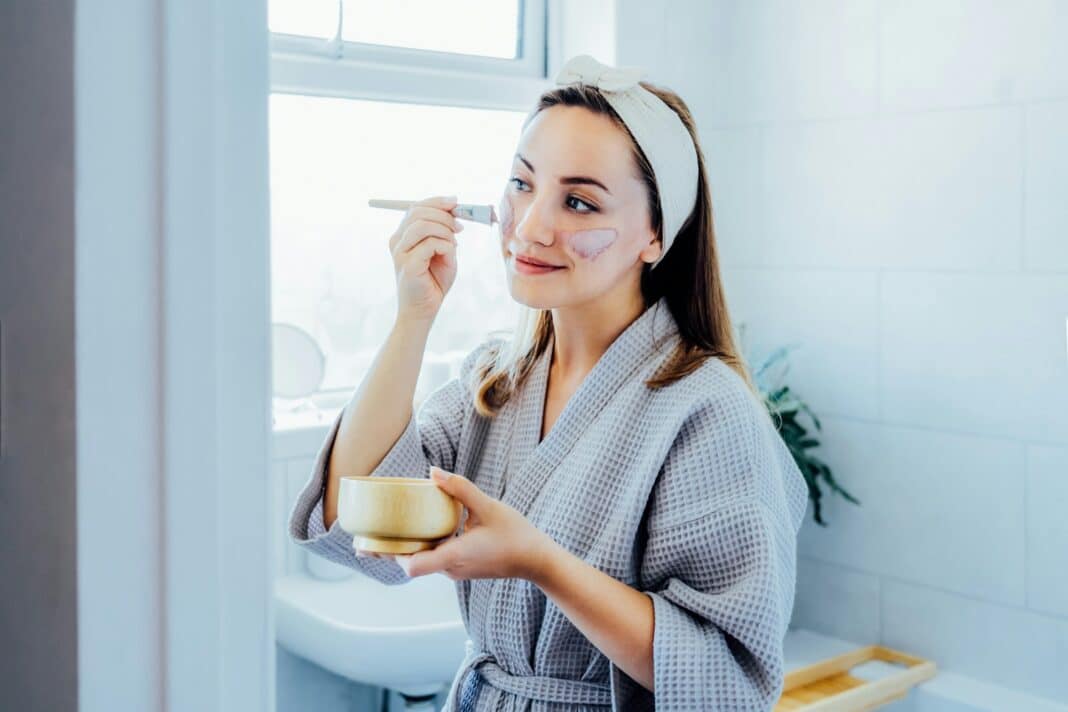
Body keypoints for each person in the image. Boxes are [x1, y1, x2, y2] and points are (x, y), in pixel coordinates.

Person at [288, 54, 808, 711]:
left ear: (654, 233)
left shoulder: (708, 413)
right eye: (522, 184)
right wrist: (413, 316)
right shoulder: (493, 386)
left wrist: (540, 561)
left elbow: (727, 678)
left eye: (579, 201)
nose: (530, 227)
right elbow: (357, 513)